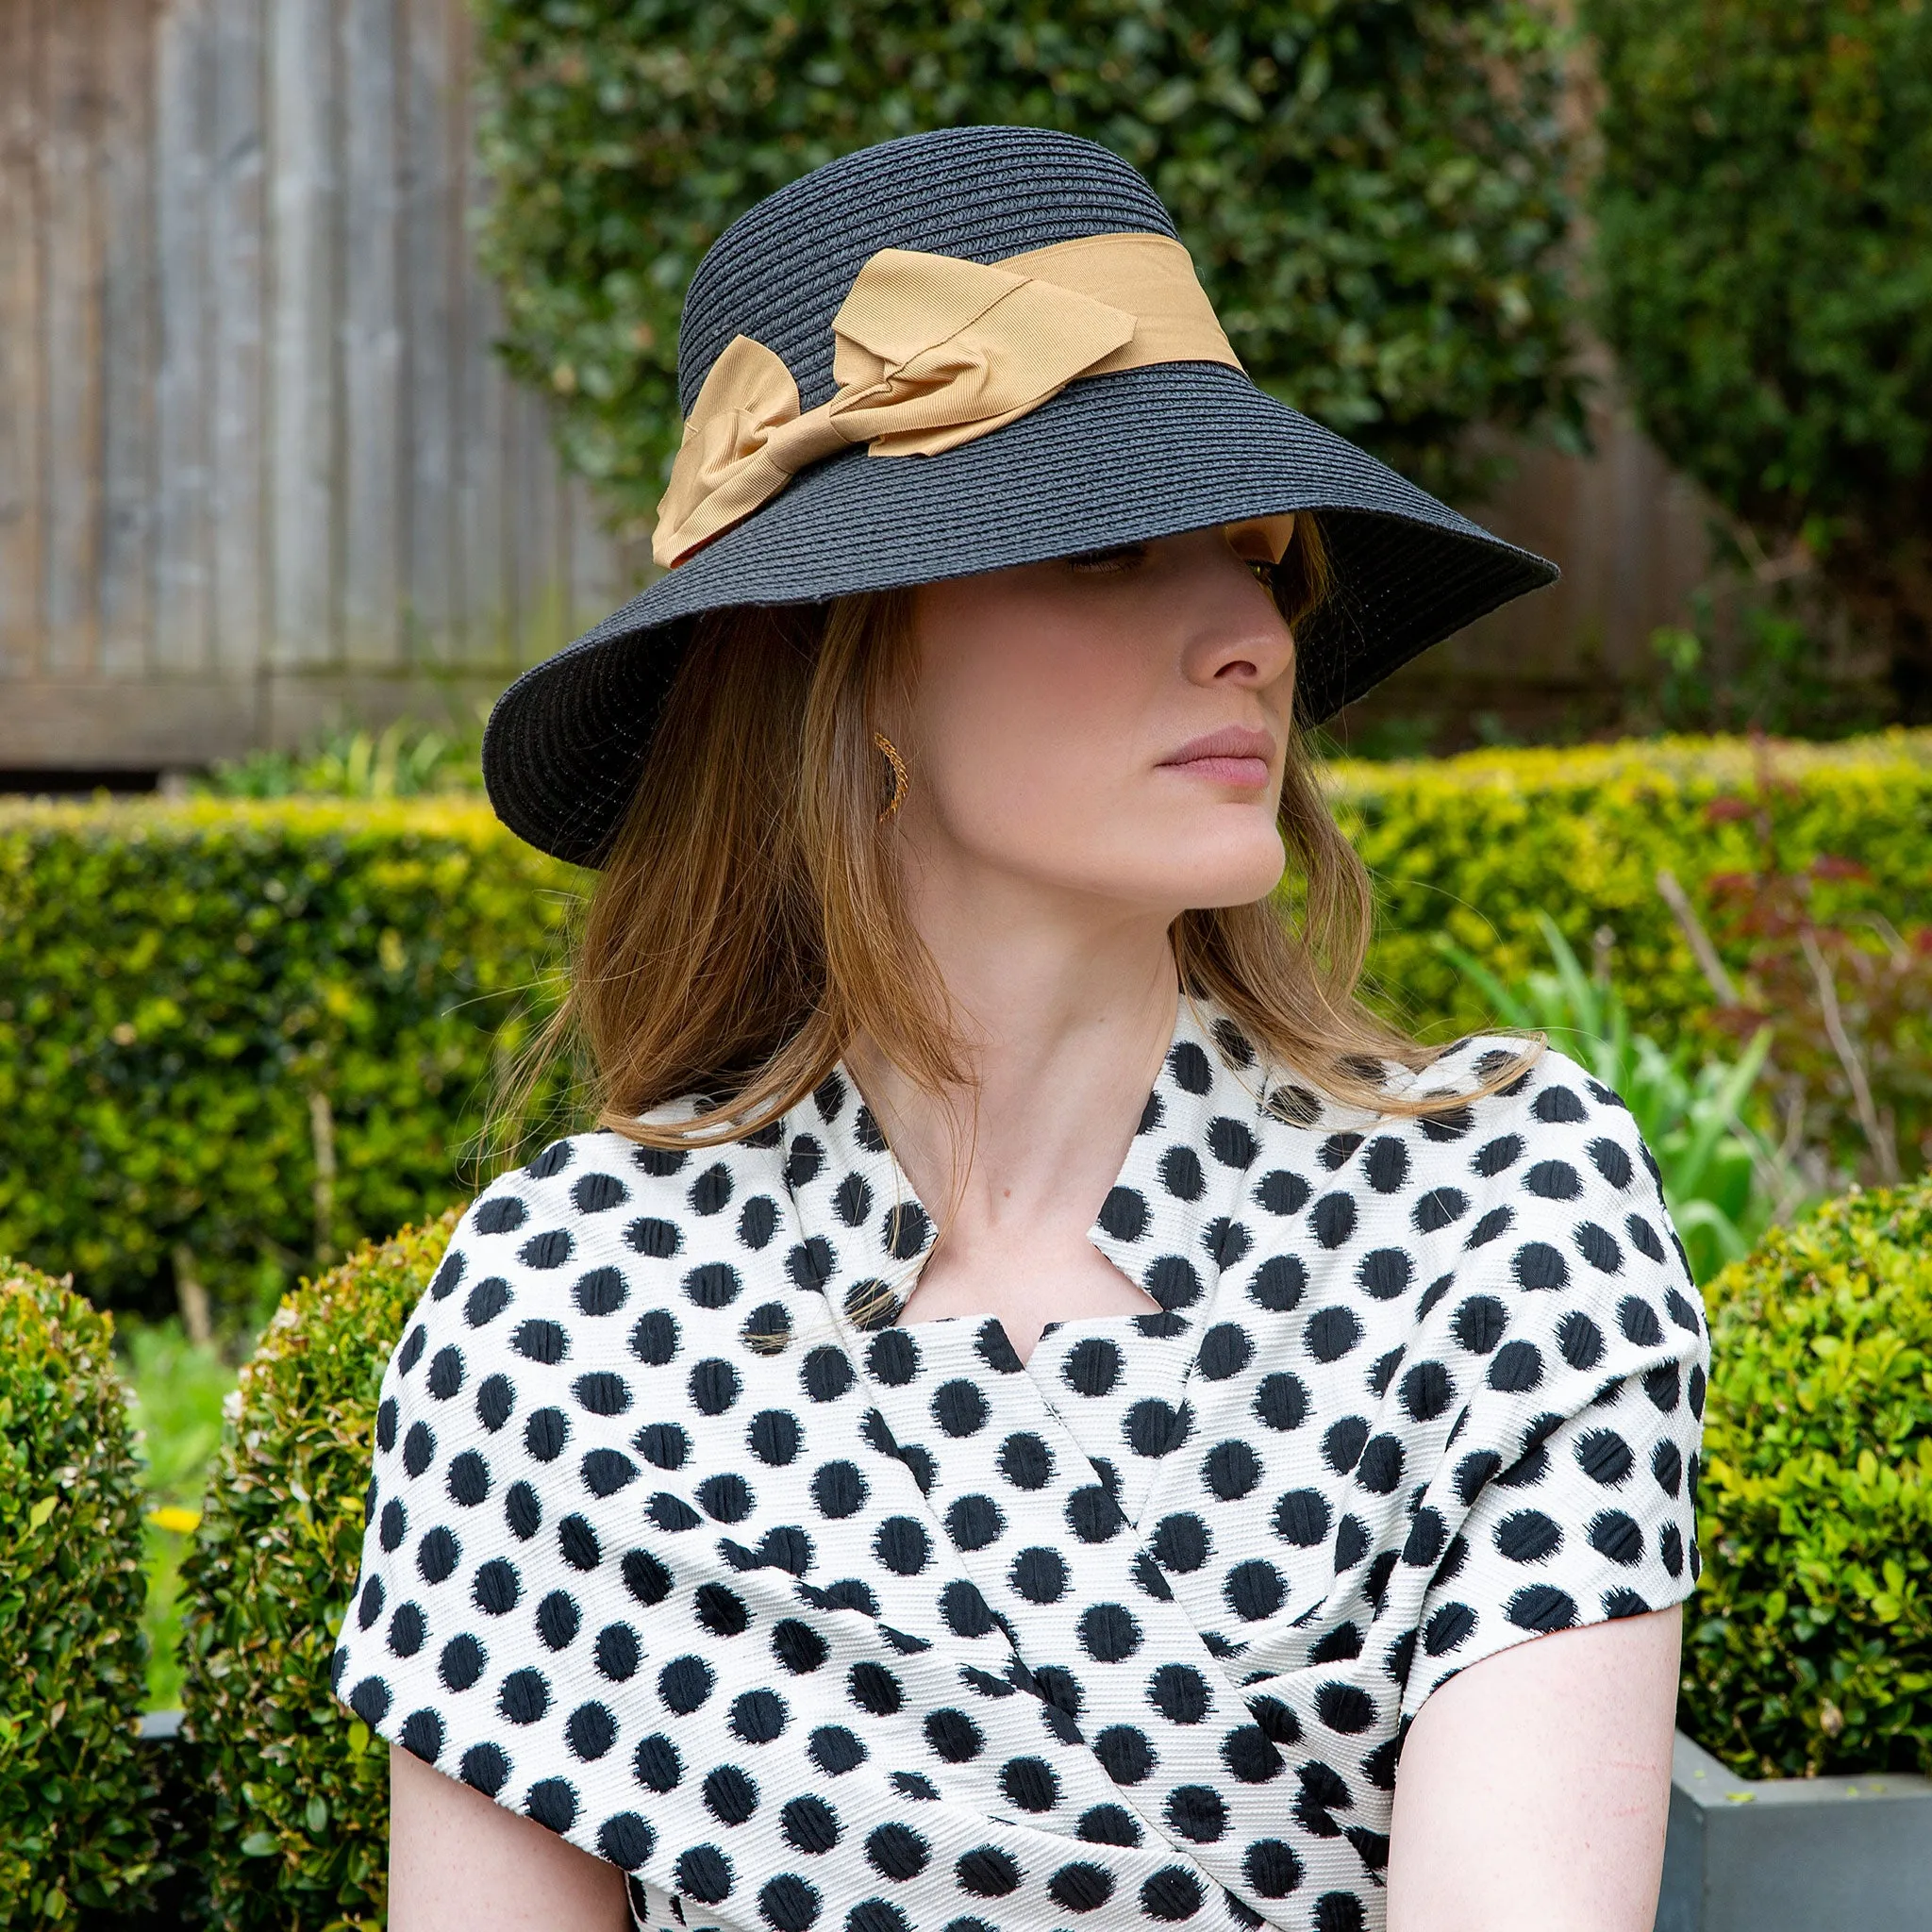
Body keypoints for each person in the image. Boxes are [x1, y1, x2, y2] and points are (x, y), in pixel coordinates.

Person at [332, 125, 1706, 1932]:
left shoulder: (1498, 1220)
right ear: (851, 653)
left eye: (1258, 551)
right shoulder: (567, 1310)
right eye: (1117, 554)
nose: (1252, 639)